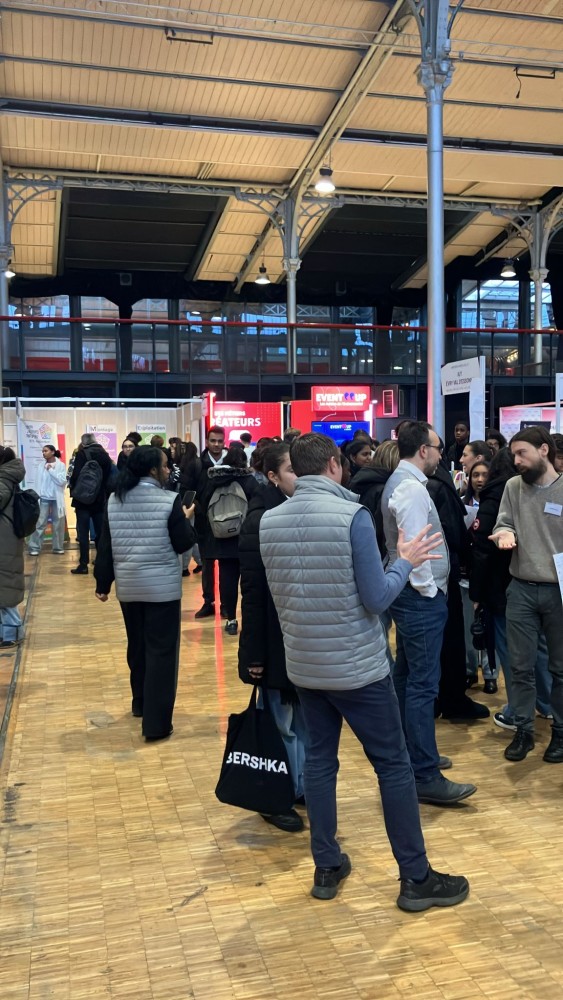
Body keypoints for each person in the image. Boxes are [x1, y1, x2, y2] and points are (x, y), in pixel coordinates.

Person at [259, 432, 469, 910]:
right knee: (393, 766)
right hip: (358, 669)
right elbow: (377, 598)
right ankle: (416, 876)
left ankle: (326, 864)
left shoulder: (271, 520)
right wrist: (405, 562)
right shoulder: (350, 516)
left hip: (305, 665)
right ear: (335, 465)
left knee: (319, 762)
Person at [381, 421, 477, 804]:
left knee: (408, 678)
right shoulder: (410, 489)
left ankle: (416, 756)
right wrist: (429, 591)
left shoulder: (405, 484)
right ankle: (424, 772)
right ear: (423, 450)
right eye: (436, 448)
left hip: (411, 595)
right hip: (419, 597)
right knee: (423, 684)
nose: (441, 454)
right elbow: (414, 550)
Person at [94, 446, 195, 741]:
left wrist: (103, 583)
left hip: (129, 588)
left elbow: (106, 545)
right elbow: (183, 542)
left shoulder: (115, 500)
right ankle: (156, 724)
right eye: (165, 466)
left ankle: (140, 703)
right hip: (162, 590)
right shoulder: (169, 500)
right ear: (153, 470)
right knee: (161, 654)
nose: (168, 470)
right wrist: (186, 517)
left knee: (137, 648)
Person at [238, 442, 307, 833]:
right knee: (281, 723)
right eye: (292, 470)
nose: (299, 476)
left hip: (300, 638)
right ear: (272, 476)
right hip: (273, 639)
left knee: (304, 723)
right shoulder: (261, 518)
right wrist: (254, 654)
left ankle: (299, 786)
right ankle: (277, 794)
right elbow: (253, 593)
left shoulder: (298, 509)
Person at [489, 427, 563, 763]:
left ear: (544, 450)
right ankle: (523, 730)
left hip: (558, 591)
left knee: (560, 668)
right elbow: (503, 522)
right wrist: (504, 533)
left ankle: (560, 732)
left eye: (522, 453)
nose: (516, 461)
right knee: (519, 666)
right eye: (513, 455)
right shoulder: (513, 487)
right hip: (521, 588)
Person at [468, 447, 552, 729]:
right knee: (540, 649)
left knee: (512, 654)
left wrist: (477, 594)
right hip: (538, 584)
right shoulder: (532, 492)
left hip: (503, 590)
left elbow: (482, 551)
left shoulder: (494, 498)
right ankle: (547, 704)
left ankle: (518, 710)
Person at [426, 444, 490, 721]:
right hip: (442, 574)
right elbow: (451, 532)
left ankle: (434, 700)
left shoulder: (422, 483)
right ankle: (449, 699)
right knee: (448, 639)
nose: (444, 455)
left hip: (429, 575)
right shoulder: (437, 485)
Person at [196, 445, 261, 634]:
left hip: (222, 538)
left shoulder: (213, 480)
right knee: (249, 583)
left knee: (227, 581)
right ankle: (249, 620)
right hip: (246, 539)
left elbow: (203, 503)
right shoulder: (249, 481)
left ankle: (231, 618)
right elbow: (258, 505)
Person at [186, 426, 227, 617]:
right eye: (213, 441)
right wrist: (197, 507)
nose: (216, 444)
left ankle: (226, 604)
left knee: (227, 566)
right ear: (207, 441)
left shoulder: (231, 462)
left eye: (220, 441)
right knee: (207, 563)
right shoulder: (196, 464)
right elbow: (187, 490)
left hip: (228, 522)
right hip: (204, 522)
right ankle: (208, 602)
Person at [68, 433, 112, 575]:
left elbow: (75, 475)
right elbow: (108, 477)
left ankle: (83, 565)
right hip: (99, 499)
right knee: (100, 532)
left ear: (83, 443)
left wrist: (74, 490)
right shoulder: (104, 455)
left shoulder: (81, 454)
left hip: (82, 500)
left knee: (83, 533)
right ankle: (101, 561)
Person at [0, 446, 26, 648]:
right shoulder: (8, 478)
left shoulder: (3, 481)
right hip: (7, 539)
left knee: (6, 587)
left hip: (4, 541)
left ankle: (11, 633)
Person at [28, 445, 67, 556]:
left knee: (58, 524)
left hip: (57, 498)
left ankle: (58, 547)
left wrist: (50, 470)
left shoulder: (61, 465)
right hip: (43, 498)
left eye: (46, 451)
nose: (43, 453)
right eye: (43, 451)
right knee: (40, 523)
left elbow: (62, 481)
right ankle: (34, 547)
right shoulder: (41, 465)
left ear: (53, 452)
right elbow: (38, 482)